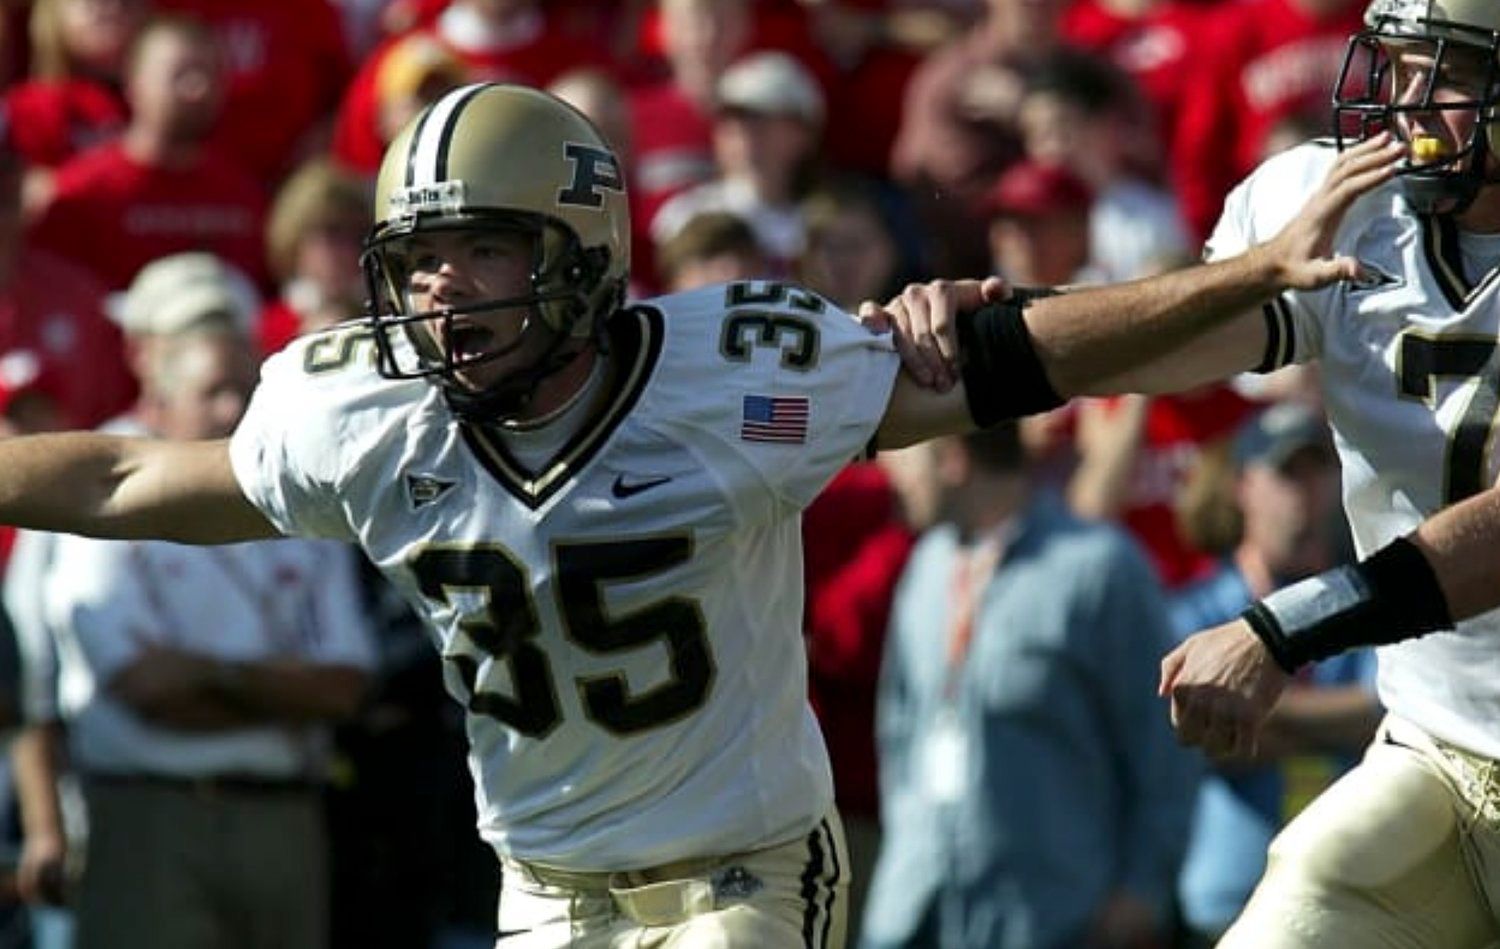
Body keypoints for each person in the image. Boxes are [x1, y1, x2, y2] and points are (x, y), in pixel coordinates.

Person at [0, 81, 1397, 947]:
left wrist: (1237, 282)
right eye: (419, 258)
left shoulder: (734, 376)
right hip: (543, 888)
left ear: (582, 254)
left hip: (738, 876)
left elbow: (1018, 361)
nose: (439, 290)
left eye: (481, 249)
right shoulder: (363, 415)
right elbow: (124, 479)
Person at [887, 2, 1500, 944]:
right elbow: (1173, 342)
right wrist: (973, 337)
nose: (1408, 104)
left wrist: (1280, 628)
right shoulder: (1347, 204)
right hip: (1440, 749)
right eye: (1401, 65)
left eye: (1446, 75)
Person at [6, 253, 377, 949]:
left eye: (242, 387)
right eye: (213, 391)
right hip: (150, 815)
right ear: (151, 369)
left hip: (286, 816)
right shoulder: (95, 479)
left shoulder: (294, 486)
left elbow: (345, 684)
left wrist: (210, 673)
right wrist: (281, 692)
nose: (232, 409)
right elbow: (142, 685)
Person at [861, 423, 1197, 949]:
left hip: (1056, 918)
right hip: (918, 915)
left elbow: (1164, 745)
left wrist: (1141, 890)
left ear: (953, 457)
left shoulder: (1098, 567)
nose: (889, 473)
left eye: (905, 454)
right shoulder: (926, 567)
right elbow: (899, 731)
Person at [1169, 402, 1379, 946]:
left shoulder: (1371, 602)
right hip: (1226, 903)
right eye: (1287, 474)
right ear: (1242, 486)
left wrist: (1252, 710)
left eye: (1317, 471)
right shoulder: (1195, 611)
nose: (1304, 493)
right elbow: (1199, 739)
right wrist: (1343, 726)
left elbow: (1389, 715)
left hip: (1350, 903)